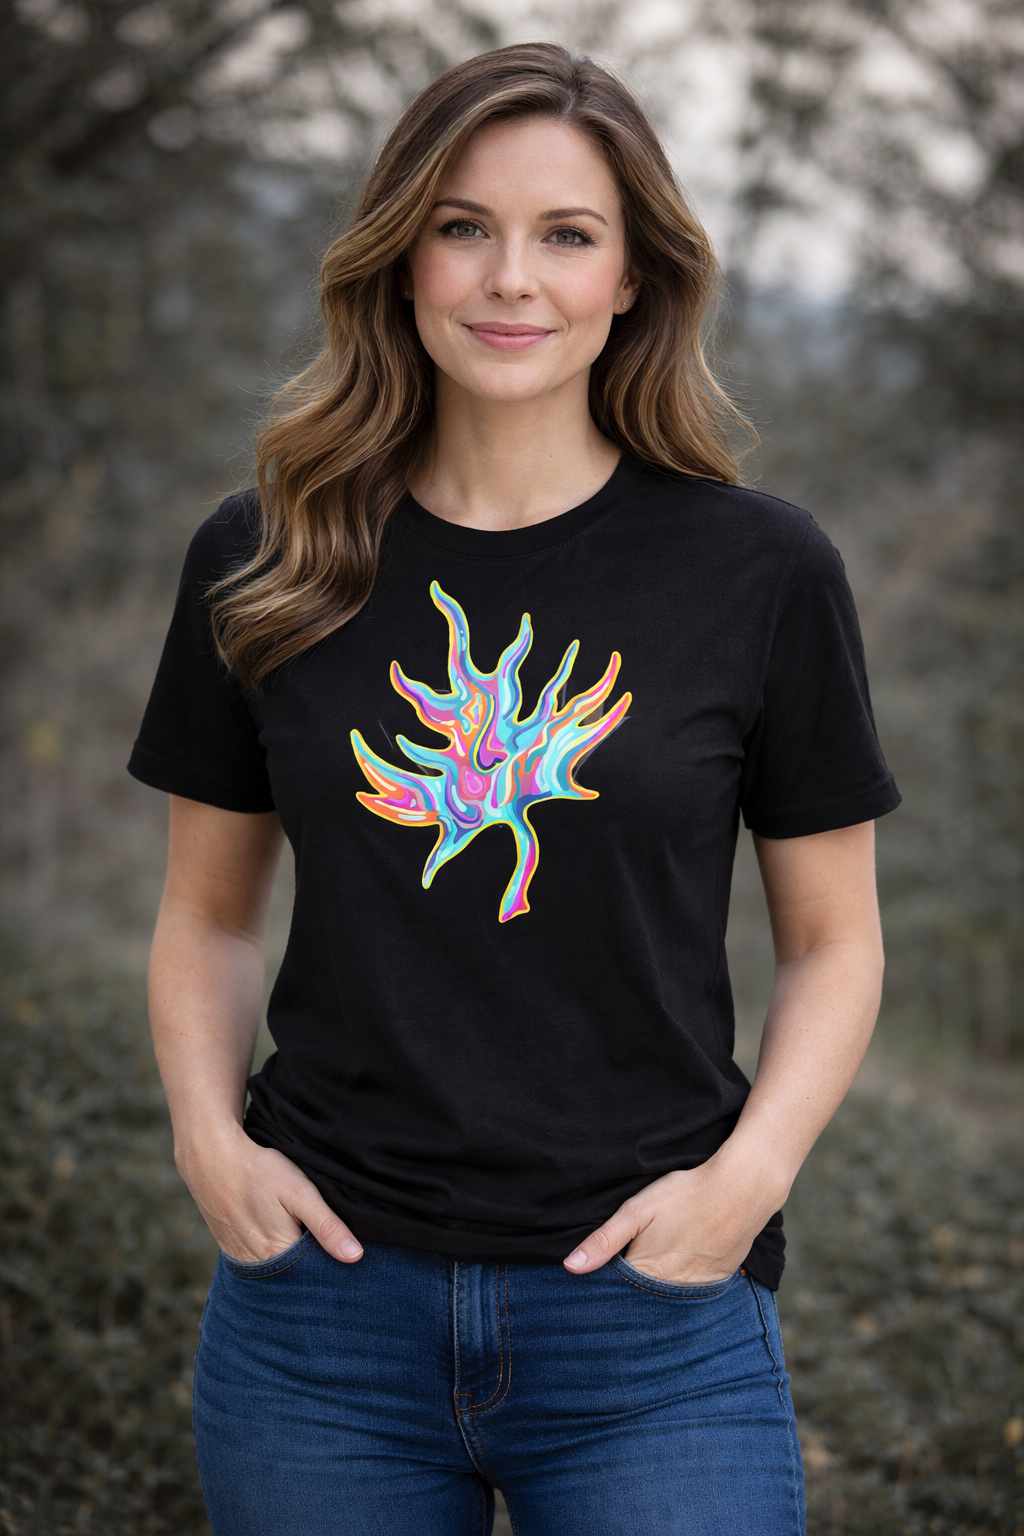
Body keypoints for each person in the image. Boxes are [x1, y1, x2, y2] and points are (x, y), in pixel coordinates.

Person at [126, 41, 902, 1536]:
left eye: (567, 235)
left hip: (651, 1325)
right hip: (322, 1322)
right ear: (401, 254)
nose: (510, 279)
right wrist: (208, 1146)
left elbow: (837, 940)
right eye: (463, 226)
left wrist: (745, 1185)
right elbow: (206, 916)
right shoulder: (267, 554)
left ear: (633, 277)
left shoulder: (760, 571)